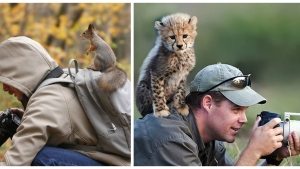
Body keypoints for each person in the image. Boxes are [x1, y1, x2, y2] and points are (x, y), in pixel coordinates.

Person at [134, 62, 300, 166]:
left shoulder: (209, 141)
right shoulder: (170, 138)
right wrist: (253, 152)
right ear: (208, 103)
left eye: (245, 111)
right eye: (236, 109)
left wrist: (273, 158)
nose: (243, 119)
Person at [0, 36, 129, 166]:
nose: (5, 88)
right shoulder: (65, 77)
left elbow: (14, 164)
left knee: (40, 157)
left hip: (113, 164)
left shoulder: (47, 103)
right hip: (119, 160)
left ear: (20, 73)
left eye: (7, 80)